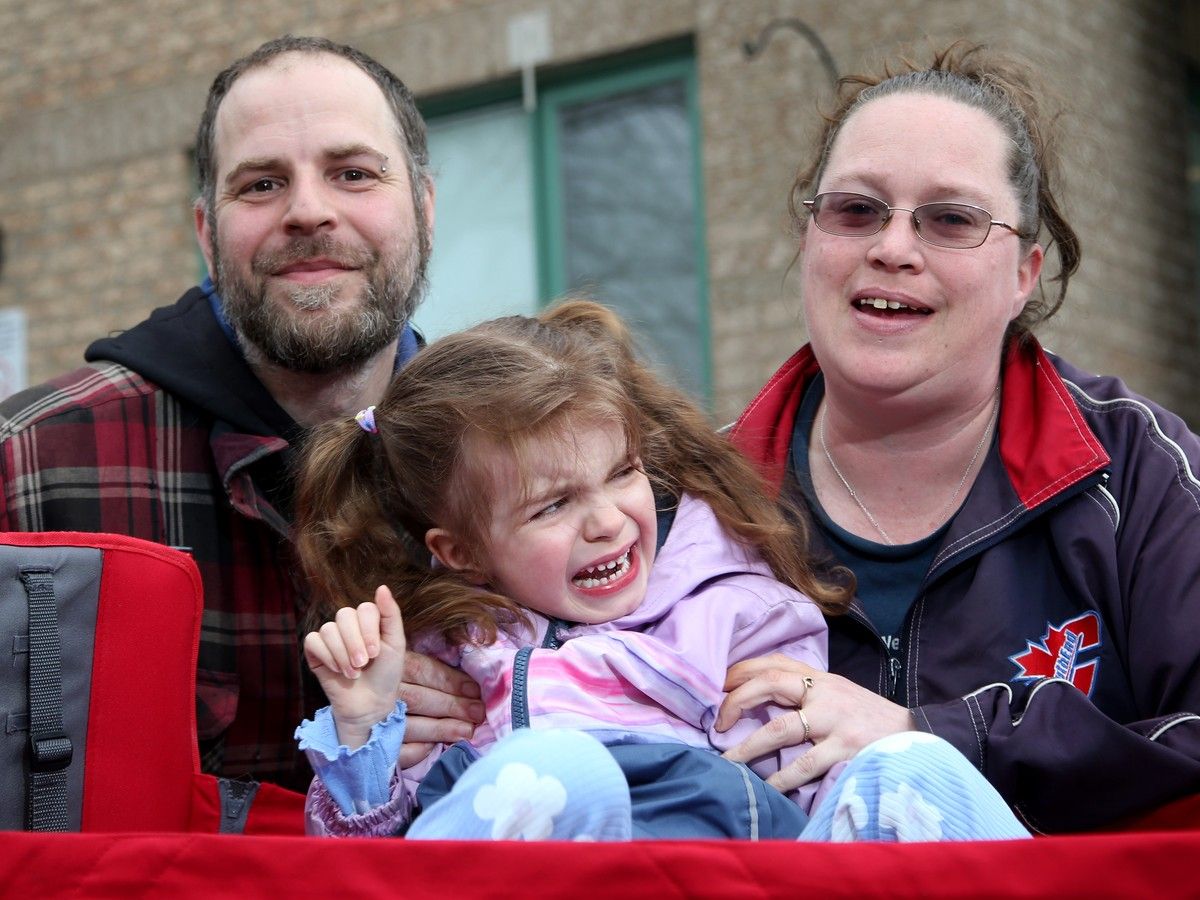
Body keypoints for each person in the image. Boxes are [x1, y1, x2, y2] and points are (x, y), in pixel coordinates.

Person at [291, 299, 1027, 841]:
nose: (607, 519)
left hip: (745, 861)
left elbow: (809, 780)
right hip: (560, 864)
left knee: (907, 764)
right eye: (553, 506)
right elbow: (371, 853)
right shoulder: (448, 659)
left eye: (622, 472)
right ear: (461, 551)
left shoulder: (725, 604)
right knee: (559, 769)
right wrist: (362, 733)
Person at [709, 42, 1200, 833]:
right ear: (808, 240)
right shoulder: (696, 496)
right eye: (856, 210)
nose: (893, 248)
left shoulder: (1140, 476)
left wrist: (929, 738)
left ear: (1024, 273)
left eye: (951, 220)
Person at [0, 36, 480, 792]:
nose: (309, 212)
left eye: (353, 173)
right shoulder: (30, 469)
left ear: (422, 207)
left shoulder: (528, 463)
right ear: (206, 232)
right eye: (260, 185)